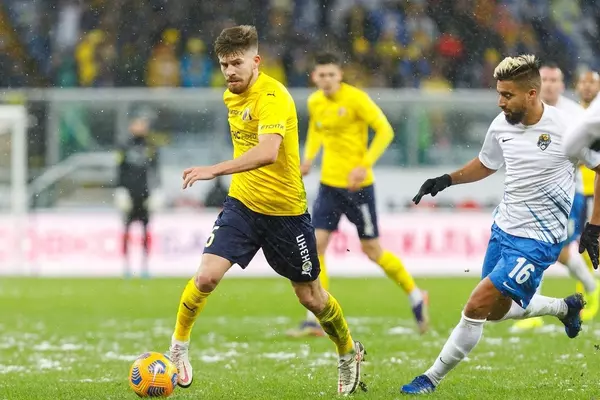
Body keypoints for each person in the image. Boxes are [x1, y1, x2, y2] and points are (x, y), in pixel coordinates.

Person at [167, 26, 366, 395]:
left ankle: (346, 350)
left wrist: (214, 170)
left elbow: (268, 152)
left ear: (256, 61)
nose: (229, 72)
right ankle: (177, 348)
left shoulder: (273, 97)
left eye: (236, 63)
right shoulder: (231, 94)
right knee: (206, 277)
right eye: (224, 65)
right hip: (243, 205)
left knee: (311, 297)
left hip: (286, 213)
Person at [401, 54, 600, 395]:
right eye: (499, 94)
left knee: (476, 305)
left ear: (532, 94)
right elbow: (486, 162)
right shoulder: (501, 124)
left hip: (539, 242)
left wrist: (595, 225)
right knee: (494, 312)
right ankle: (564, 307)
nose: (500, 102)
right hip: (504, 229)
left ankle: (429, 379)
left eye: (507, 95)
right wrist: (446, 180)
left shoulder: (567, 129)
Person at [286, 52, 429, 338]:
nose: (327, 79)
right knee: (316, 246)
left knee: (372, 250)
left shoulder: (356, 99)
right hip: (329, 185)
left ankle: (415, 294)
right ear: (314, 77)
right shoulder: (315, 102)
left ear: (340, 75)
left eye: (331, 74)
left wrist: (364, 166)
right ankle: (316, 318)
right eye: (322, 75)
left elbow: (385, 131)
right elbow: (316, 130)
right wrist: (309, 157)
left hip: (359, 189)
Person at [510, 63, 599, 331]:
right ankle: (587, 289)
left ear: (562, 85)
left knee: (552, 249)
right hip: (534, 194)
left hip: (569, 194)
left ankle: (587, 288)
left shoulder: (575, 114)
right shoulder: (526, 112)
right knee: (547, 249)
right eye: (545, 79)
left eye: (554, 80)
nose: (548, 84)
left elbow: (590, 154)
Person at [115, 110, 160, 278]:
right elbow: (119, 170)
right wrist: (120, 189)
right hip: (129, 193)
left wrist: (157, 190)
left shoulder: (151, 146)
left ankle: (145, 265)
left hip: (145, 193)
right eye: (137, 124)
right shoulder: (124, 146)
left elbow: (155, 169)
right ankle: (126, 266)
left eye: (143, 124)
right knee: (126, 229)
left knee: (146, 229)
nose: (141, 127)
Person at [574, 70, 600, 314]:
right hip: (578, 190)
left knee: (592, 243)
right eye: (584, 82)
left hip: (596, 190)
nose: (588, 86)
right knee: (582, 245)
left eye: (593, 82)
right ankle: (588, 295)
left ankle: (592, 296)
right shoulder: (572, 114)